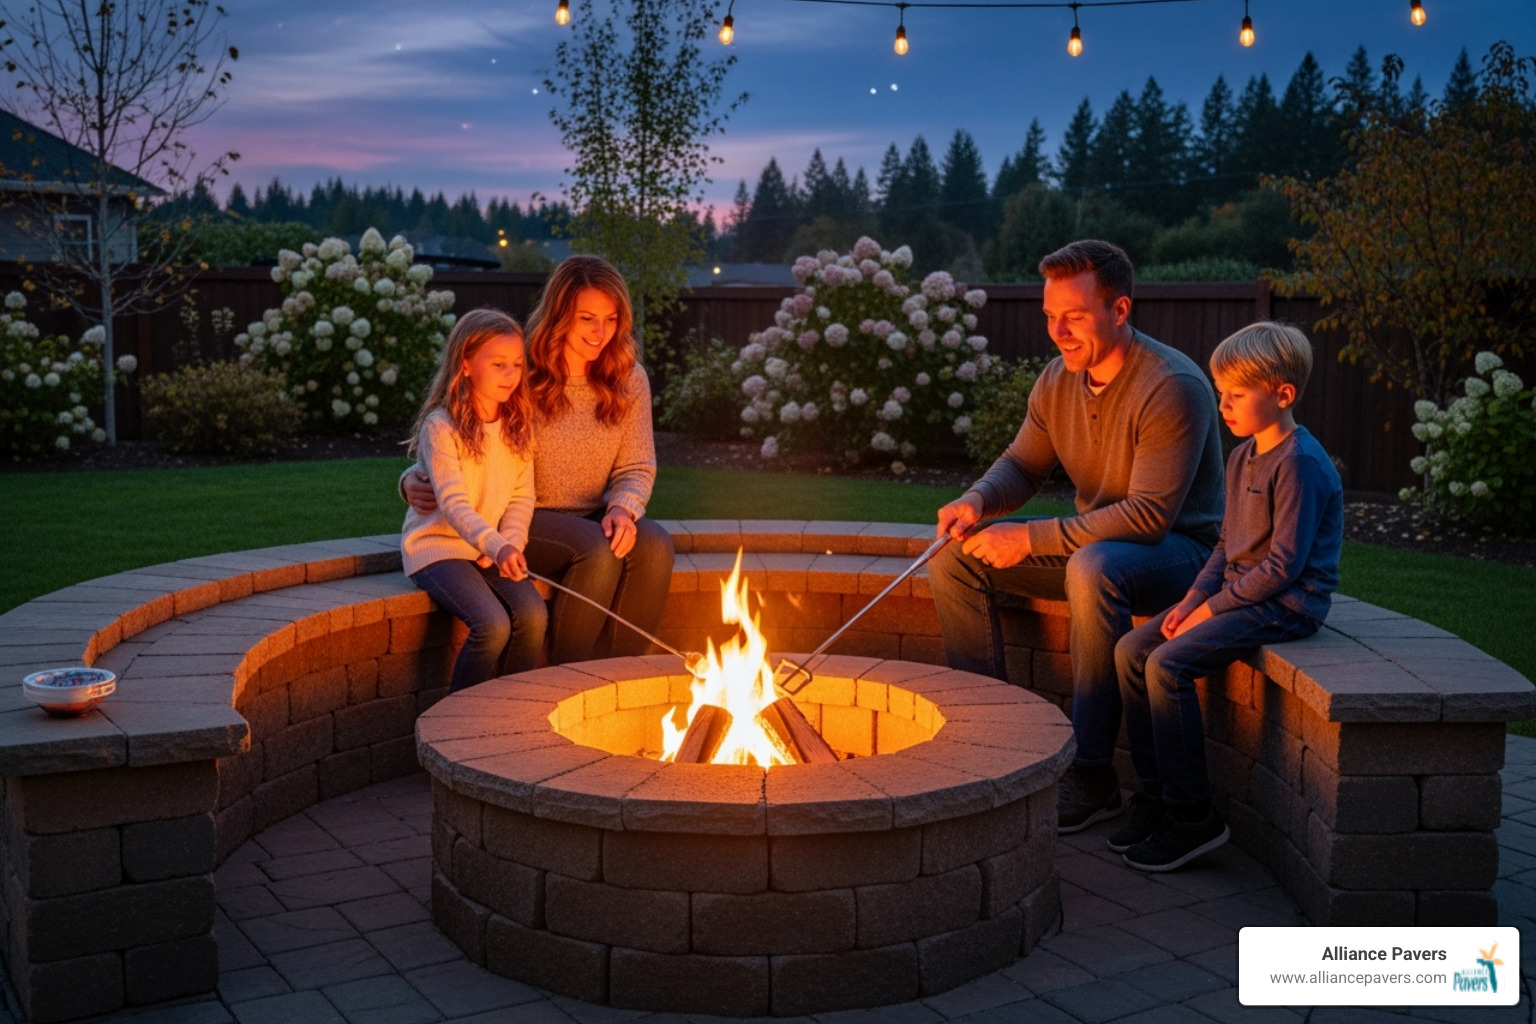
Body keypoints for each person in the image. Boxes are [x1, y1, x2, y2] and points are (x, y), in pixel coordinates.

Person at [930, 239, 1225, 834]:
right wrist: (977, 500)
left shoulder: (1172, 386)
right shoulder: (1057, 380)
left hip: (1181, 558)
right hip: (1096, 550)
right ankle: (990, 743)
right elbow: (1023, 463)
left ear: (1119, 310)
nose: (1058, 332)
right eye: (1049, 317)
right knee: (955, 559)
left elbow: (1148, 516)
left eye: (1074, 316)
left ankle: (1091, 775)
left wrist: (1030, 538)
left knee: (1093, 567)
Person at [1113, 321, 1342, 871]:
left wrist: (1212, 609)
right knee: (1129, 652)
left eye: (1236, 394)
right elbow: (1225, 543)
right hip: (1243, 592)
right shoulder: (1242, 456)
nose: (1223, 404)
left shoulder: (1300, 465)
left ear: (1282, 394)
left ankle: (1194, 816)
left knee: (1167, 666)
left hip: (1287, 604)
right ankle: (1159, 795)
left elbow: (1284, 568)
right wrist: (1194, 599)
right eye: (1221, 392)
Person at [403, 256, 673, 663]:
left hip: (591, 512)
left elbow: (637, 465)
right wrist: (410, 478)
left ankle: (620, 669)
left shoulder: (628, 377)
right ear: (561, 314)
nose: (601, 332)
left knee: (654, 545)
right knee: (596, 551)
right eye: (587, 318)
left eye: (611, 318)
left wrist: (624, 507)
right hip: (524, 514)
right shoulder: (519, 367)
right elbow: (463, 431)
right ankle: (566, 673)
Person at [401, 308, 547, 693]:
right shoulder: (441, 427)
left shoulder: (517, 425)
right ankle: (461, 724)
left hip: (487, 550)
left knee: (533, 614)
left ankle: (508, 711)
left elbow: (521, 496)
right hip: (438, 549)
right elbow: (453, 503)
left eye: (517, 363)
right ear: (465, 364)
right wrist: (497, 547)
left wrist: (511, 542)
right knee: (492, 624)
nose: (511, 373)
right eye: (498, 363)